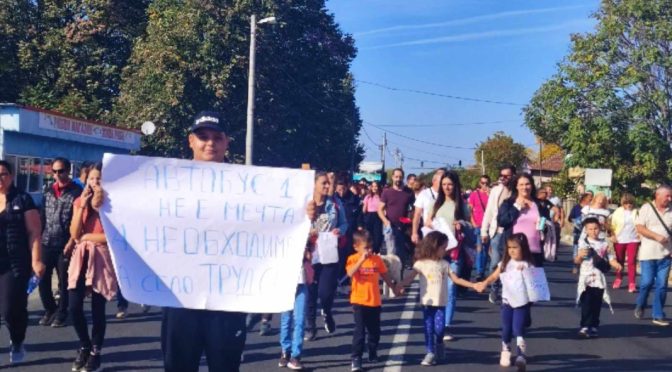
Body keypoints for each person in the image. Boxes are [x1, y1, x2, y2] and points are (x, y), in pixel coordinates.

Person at [161, 111, 248, 371]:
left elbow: (273, 225)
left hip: (227, 298)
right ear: (191, 140)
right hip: (180, 297)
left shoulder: (247, 187)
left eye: (217, 137)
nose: (210, 143)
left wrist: (303, 214)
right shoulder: (166, 183)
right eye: (203, 137)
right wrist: (105, 204)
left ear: (226, 142)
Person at [66, 163, 118, 371]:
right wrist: (81, 207)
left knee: (98, 310)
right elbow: (74, 233)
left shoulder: (112, 204)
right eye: (92, 179)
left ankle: (96, 351)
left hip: (102, 258)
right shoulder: (79, 201)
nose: (95, 183)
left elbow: (113, 236)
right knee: (74, 307)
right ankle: (84, 345)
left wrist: (88, 236)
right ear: (85, 181)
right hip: (81, 257)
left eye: (99, 179)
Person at [396, 231, 475, 366]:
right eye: (443, 248)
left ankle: (439, 343)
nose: (445, 251)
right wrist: (399, 285)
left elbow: (456, 279)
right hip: (427, 302)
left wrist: (473, 285)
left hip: (440, 303)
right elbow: (410, 278)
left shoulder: (444, 264)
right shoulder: (421, 263)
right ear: (434, 247)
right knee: (428, 327)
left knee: (439, 329)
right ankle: (430, 352)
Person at [0, 160, 45, 364]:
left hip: (14, 262)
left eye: (3, 174)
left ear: (11, 175)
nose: (0, 179)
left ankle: (17, 340)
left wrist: (36, 260)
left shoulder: (22, 199)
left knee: (11, 309)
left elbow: (34, 232)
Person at [474, 233, 536, 370]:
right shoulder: (505, 264)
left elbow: (535, 285)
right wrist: (484, 283)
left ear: (523, 248)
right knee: (506, 328)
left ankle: (521, 356)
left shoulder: (528, 265)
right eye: (509, 247)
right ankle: (506, 350)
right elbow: (494, 276)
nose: (512, 250)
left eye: (515, 247)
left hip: (522, 303)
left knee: (518, 328)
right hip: (507, 302)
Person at [425, 170, 471, 342]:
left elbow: (470, 224)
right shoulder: (436, 204)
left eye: (450, 184)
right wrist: (430, 224)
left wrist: (461, 224)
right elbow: (427, 222)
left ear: (455, 185)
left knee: (451, 288)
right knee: (437, 288)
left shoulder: (461, 205)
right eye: (444, 185)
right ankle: (436, 321)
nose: (447, 188)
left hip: (454, 251)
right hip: (436, 253)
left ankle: (446, 325)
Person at [346, 230, 398, 372]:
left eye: (370, 247)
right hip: (359, 301)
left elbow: (385, 275)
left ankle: (372, 350)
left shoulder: (376, 260)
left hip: (374, 301)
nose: (368, 250)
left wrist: (394, 287)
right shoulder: (353, 258)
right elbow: (350, 273)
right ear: (356, 247)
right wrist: (361, 259)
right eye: (365, 248)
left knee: (375, 331)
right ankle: (356, 358)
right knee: (359, 331)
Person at [39, 157, 82, 328]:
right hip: (46, 241)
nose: (57, 175)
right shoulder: (48, 191)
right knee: (41, 278)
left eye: (61, 171)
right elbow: (42, 216)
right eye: (54, 171)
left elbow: (78, 220)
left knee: (64, 281)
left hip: (65, 243)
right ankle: (50, 309)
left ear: (68, 171)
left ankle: (62, 313)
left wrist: (72, 241)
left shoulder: (76, 192)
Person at [305, 172, 348, 341]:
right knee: (310, 292)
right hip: (310, 254)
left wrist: (340, 230)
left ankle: (327, 311)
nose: (327, 186)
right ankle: (311, 327)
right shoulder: (306, 204)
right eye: (323, 183)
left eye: (329, 184)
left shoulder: (335, 204)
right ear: (314, 184)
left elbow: (344, 223)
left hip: (329, 252)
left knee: (325, 292)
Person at [575, 218, 622, 338]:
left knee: (596, 304)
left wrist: (616, 264)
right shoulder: (583, 243)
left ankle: (594, 325)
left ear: (600, 228)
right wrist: (579, 256)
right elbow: (577, 260)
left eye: (595, 228)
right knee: (586, 303)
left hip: (599, 278)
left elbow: (611, 258)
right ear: (586, 230)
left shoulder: (605, 243)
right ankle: (585, 325)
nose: (593, 231)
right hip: (586, 278)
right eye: (590, 229)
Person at [634, 185, 672, 326]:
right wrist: (656, 236)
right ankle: (641, 304)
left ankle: (658, 314)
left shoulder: (671, 211)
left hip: (666, 255)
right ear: (657, 195)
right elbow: (639, 227)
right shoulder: (646, 208)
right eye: (667, 196)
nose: (669, 198)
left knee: (662, 285)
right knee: (646, 283)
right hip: (648, 254)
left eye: (670, 196)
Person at [497, 173, 550, 267]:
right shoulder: (508, 203)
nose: (524, 187)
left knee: (535, 281)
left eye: (527, 184)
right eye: (521, 184)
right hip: (514, 253)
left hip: (535, 252)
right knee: (515, 281)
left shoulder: (540, 205)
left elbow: (545, 225)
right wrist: (517, 207)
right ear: (516, 186)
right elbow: (502, 221)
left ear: (532, 186)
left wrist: (543, 226)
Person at [481, 165, 515, 303]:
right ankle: (494, 289)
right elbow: (489, 211)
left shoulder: (517, 192)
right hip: (497, 232)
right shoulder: (496, 191)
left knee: (511, 264)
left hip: (513, 233)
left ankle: (509, 290)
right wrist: (484, 231)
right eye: (502, 175)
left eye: (507, 175)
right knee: (495, 262)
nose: (503, 178)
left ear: (513, 176)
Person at [278, 246, 313, 370]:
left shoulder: (304, 235)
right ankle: (285, 351)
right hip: (286, 280)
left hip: (301, 280)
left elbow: (310, 257)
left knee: (300, 319)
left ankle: (295, 356)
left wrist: (307, 252)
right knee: (286, 318)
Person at [378, 168, 414, 270]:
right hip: (390, 226)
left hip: (404, 227)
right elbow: (379, 209)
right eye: (396, 177)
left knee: (401, 253)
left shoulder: (408, 192)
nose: (398, 179)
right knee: (391, 253)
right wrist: (385, 221)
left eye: (400, 177)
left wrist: (410, 219)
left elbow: (413, 208)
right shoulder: (387, 192)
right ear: (392, 177)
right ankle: (391, 279)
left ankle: (400, 278)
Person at [609, 193, 640, 292]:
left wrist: (641, 235)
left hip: (633, 239)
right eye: (626, 203)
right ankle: (619, 278)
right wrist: (612, 235)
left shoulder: (636, 212)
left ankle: (632, 283)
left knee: (631, 261)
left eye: (630, 203)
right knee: (620, 260)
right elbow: (612, 225)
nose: (628, 205)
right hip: (620, 239)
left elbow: (641, 224)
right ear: (623, 203)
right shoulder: (617, 212)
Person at [411, 168, 445, 245]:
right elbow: (417, 215)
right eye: (441, 182)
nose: (443, 184)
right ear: (434, 181)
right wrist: (414, 233)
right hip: (429, 233)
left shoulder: (447, 194)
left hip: (445, 233)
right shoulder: (424, 194)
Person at [468, 175, 490, 281]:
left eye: (486, 183)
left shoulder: (491, 194)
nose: (485, 185)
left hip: (489, 225)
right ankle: (479, 272)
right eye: (483, 183)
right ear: (479, 183)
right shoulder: (474, 194)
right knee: (479, 249)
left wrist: (489, 194)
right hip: (478, 224)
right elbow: (470, 210)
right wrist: (473, 222)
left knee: (486, 250)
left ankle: (482, 270)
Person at [569, 193, 593, 273]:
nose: (591, 200)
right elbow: (570, 218)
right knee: (576, 250)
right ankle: (575, 266)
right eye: (590, 198)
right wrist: (576, 221)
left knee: (587, 250)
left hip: (588, 233)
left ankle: (585, 267)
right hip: (578, 232)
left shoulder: (591, 209)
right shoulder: (576, 208)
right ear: (584, 199)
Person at [362, 181, 383, 253]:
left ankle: (376, 252)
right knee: (369, 236)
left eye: (376, 186)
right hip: (369, 216)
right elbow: (364, 209)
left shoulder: (381, 197)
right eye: (373, 186)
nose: (374, 188)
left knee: (377, 236)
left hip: (378, 216)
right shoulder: (368, 197)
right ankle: (368, 251)